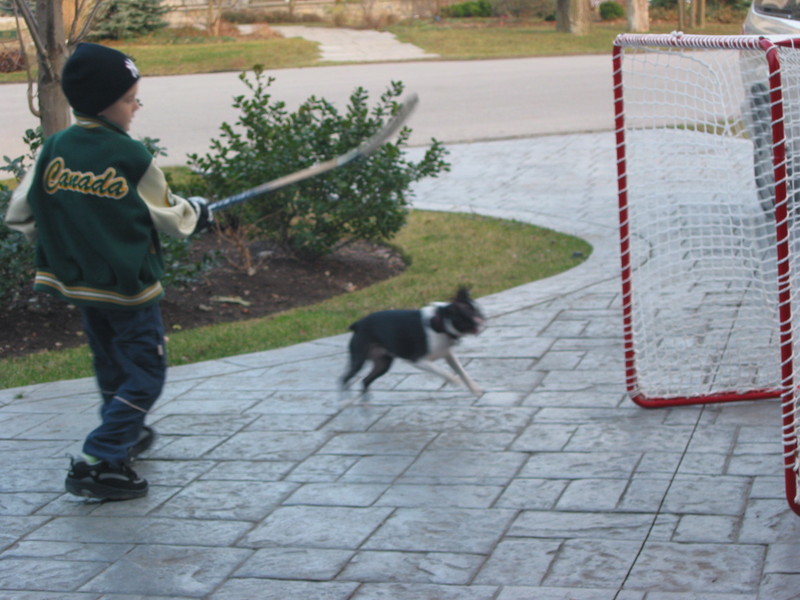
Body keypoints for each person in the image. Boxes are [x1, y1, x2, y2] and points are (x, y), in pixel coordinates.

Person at [4, 42, 212, 501]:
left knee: (112, 364)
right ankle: (100, 459)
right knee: (146, 373)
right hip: (128, 291)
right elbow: (170, 215)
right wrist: (198, 212)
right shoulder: (130, 156)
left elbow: (20, 214)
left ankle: (123, 432)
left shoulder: (54, 147)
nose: (136, 107)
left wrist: (65, 236)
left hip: (81, 286)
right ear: (104, 103)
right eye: (129, 99)